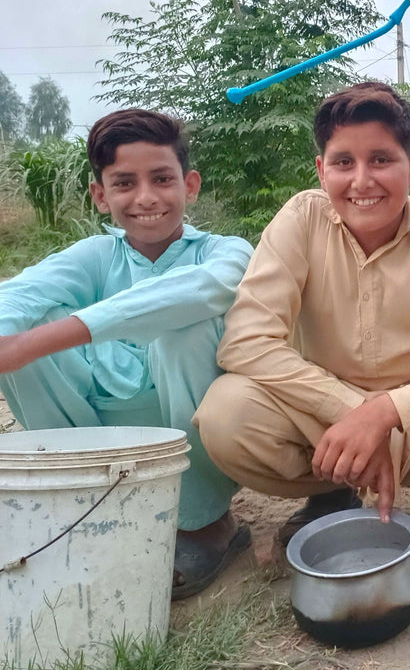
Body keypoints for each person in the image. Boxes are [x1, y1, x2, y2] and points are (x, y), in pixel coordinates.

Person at [195, 82, 410, 551]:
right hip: (324, 420)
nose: (361, 181)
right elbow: (245, 343)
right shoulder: (300, 221)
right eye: (343, 162)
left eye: (380, 160)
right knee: (225, 414)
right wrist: (353, 413)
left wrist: (389, 410)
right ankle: (331, 489)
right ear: (321, 170)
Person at [0, 109, 254, 596]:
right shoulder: (97, 256)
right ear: (101, 195)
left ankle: (204, 523)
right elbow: (21, 293)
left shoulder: (224, 251)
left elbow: (201, 291)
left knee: (184, 328)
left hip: (192, 417)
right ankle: (85, 500)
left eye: (162, 179)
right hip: (100, 419)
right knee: (25, 321)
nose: (145, 198)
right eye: (123, 183)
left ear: (190, 184)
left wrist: (42, 340)